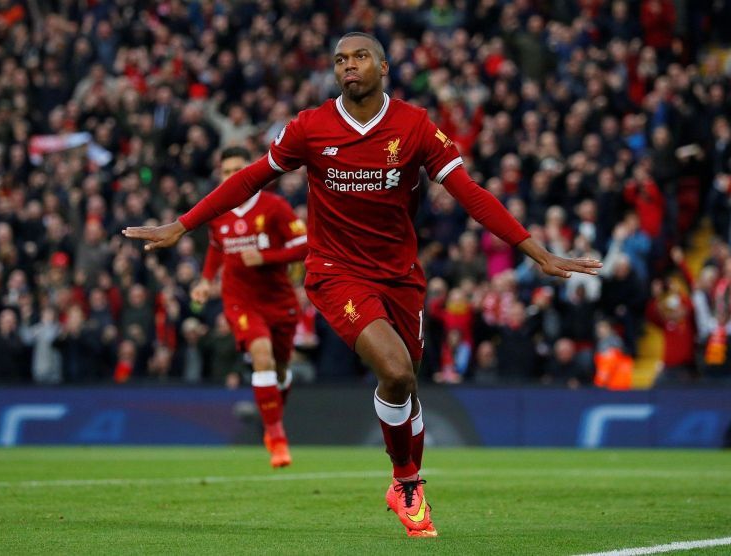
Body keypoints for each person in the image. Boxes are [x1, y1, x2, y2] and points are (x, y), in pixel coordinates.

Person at [123, 32, 601, 538]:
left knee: (407, 387)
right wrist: (184, 224)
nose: (348, 66)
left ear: (385, 66)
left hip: (400, 277)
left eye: (359, 57)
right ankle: (407, 483)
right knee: (395, 372)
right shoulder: (309, 127)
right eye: (339, 60)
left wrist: (536, 252)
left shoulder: (415, 127)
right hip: (334, 272)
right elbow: (249, 180)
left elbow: (471, 195)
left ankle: (407, 481)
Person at [190, 146, 309, 468]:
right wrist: (204, 280)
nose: (232, 176)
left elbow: (305, 245)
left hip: (278, 298)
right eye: (226, 171)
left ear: (252, 171)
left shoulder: (275, 207)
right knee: (261, 355)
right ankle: (276, 436)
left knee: (280, 369)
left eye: (238, 169)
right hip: (239, 299)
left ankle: (272, 418)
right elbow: (217, 248)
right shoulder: (218, 211)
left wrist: (266, 257)